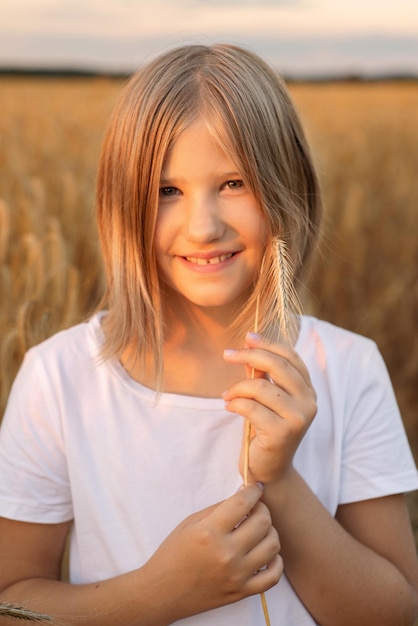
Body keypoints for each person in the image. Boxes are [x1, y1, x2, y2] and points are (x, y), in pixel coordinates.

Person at [0, 43, 417, 626]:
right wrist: (160, 594)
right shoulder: (59, 380)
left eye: (233, 183)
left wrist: (280, 482)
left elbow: (395, 614)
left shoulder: (348, 368)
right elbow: (12, 604)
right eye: (166, 191)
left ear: (286, 184)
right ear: (121, 204)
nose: (203, 225)